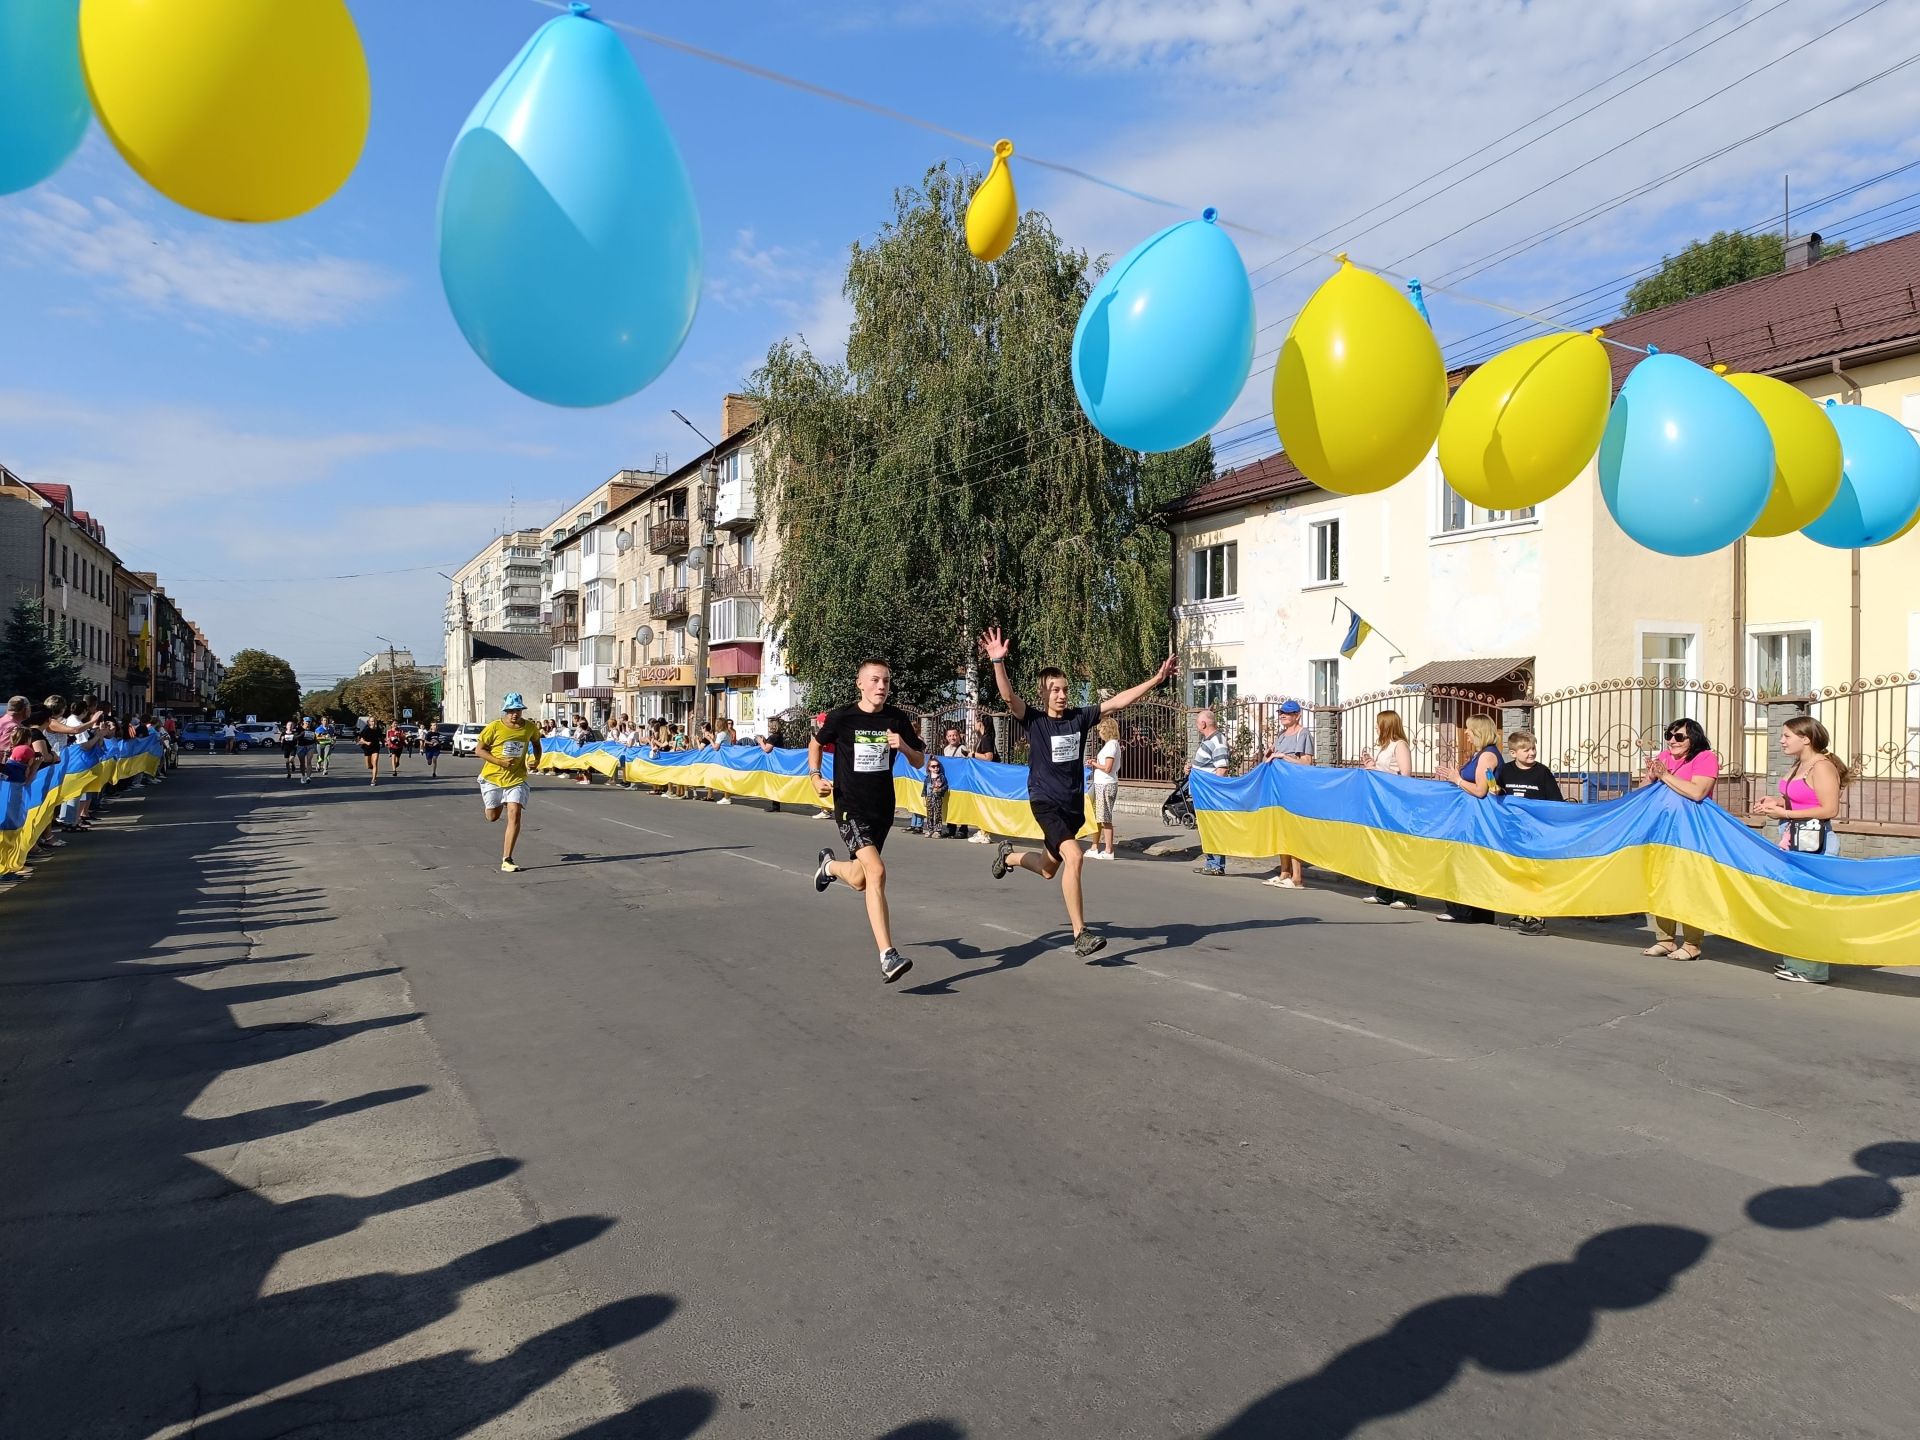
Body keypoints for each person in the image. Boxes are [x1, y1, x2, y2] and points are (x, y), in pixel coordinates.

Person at [981, 625, 1175, 956]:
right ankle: (1080, 933)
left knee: (1048, 869)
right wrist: (998, 662)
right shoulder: (1035, 720)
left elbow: (1118, 702)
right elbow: (1008, 697)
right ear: (1043, 694)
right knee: (1075, 855)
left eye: (1065, 689)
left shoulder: (1078, 718)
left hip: (1072, 807)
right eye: (1054, 690)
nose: (1061, 694)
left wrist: (1156, 680)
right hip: (1045, 802)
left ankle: (1008, 856)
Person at [809, 658, 925, 983]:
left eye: (886, 681)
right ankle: (888, 955)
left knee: (861, 880)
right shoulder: (843, 717)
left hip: (882, 810)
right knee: (877, 871)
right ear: (860, 683)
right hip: (851, 807)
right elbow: (816, 743)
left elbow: (919, 760)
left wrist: (903, 746)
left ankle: (829, 867)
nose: (881, 686)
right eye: (874, 680)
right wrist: (815, 776)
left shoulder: (896, 719)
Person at [1753, 716, 1850, 984]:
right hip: (1794, 840)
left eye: (1787, 736)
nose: (1781, 741)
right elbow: (1800, 799)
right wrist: (1775, 801)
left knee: (1810, 906)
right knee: (1794, 904)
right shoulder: (1800, 764)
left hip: (1815, 844)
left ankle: (1812, 970)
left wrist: (1783, 812)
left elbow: (1829, 809)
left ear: (1805, 738)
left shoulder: (1822, 767)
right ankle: (1797, 961)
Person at [1641, 717, 1720, 961]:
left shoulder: (1705, 758)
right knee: (1660, 882)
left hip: (1690, 832)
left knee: (1688, 885)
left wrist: (1664, 776)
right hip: (1662, 830)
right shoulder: (1664, 757)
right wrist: (1651, 777)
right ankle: (1665, 939)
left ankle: (1692, 943)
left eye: (1679, 737)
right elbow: (1643, 792)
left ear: (1693, 738)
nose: (1672, 741)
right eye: (1669, 735)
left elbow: (1697, 792)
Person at [1493, 730, 1564, 935]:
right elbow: (1496, 791)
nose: (1531, 752)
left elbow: (1556, 802)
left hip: (1536, 832)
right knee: (1518, 873)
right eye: (1526, 750)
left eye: (1533, 748)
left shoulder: (1542, 772)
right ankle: (1521, 913)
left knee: (1535, 874)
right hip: (1514, 831)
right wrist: (1495, 790)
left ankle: (1537, 918)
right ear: (1513, 753)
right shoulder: (1505, 771)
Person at [1438, 715, 1503, 925]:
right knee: (1471, 862)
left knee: (1464, 862)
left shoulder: (1487, 756)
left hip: (1476, 821)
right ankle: (1476, 912)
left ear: (1479, 731)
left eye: (1469, 729)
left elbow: (1481, 790)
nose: (1465, 732)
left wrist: (1456, 779)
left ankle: (1462, 911)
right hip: (1470, 819)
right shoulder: (1481, 754)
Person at [476, 692, 545, 874]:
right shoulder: (494, 727)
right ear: (505, 711)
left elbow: (537, 744)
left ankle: (507, 859)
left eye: (518, 710)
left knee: (515, 812)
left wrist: (536, 760)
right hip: (492, 778)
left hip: (517, 778)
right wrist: (500, 762)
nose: (515, 714)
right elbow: (479, 750)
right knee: (492, 817)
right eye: (511, 711)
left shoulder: (529, 727)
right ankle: (496, 804)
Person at [1363, 709, 1416, 908]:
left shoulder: (1400, 745)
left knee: (1398, 848)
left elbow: (1405, 775)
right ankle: (1384, 892)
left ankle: (1406, 896)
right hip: (1383, 801)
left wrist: (1377, 769)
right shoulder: (1385, 746)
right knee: (1383, 847)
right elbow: (1385, 770)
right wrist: (1372, 764)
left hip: (1396, 802)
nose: (1376, 727)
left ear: (1386, 725)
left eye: (1378, 724)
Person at [1262, 700, 1315, 889]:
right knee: (1281, 830)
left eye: (1287, 712)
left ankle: (1297, 877)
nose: (1282, 715)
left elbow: (1306, 762)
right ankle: (1284, 873)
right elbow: (1269, 759)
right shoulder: (1281, 735)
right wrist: (1269, 754)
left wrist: (1284, 756)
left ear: (1297, 715)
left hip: (1295, 789)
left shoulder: (1303, 733)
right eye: (1281, 712)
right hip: (1279, 790)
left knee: (1293, 832)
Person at [1190, 709, 1230, 877]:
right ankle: (1210, 862)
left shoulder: (1217, 741)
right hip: (1203, 793)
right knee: (1206, 829)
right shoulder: (1208, 740)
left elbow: (1222, 768)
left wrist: (1213, 791)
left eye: (1197, 722)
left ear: (1203, 723)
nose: (1196, 726)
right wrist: (1192, 768)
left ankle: (1216, 865)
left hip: (1210, 794)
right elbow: (1208, 765)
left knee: (1214, 829)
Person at [1084, 716, 1123, 859]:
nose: (1099, 733)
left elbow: (1107, 768)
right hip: (1101, 784)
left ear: (1106, 730)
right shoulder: (1110, 745)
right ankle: (1095, 847)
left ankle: (1108, 850)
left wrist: (1094, 764)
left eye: (1101, 731)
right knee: (1098, 816)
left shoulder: (1112, 745)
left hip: (1106, 784)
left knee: (1105, 818)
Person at [964, 720, 998, 844]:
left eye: (976, 721)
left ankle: (985, 833)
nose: (973, 724)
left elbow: (988, 757)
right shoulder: (984, 738)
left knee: (985, 804)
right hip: (986, 775)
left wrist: (973, 754)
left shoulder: (986, 739)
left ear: (981, 724)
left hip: (987, 776)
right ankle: (983, 831)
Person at [922, 756, 950, 838]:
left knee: (937, 814)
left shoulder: (941, 777)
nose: (936, 768)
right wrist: (924, 798)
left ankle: (937, 830)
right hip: (929, 798)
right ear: (929, 768)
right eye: (933, 766)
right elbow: (924, 789)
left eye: (937, 766)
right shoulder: (927, 778)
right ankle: (930, 829)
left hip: (937, 798)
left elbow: (946, 786)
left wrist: (940, 790)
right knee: (929, 814)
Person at [358, 721, 382, 786]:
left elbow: (381, 737)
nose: (373, 722)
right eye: (372, 721)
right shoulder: (366, 730)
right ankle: (371, 767)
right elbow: (361, 740)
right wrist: (366, 742)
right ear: (369, 722)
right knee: (368, 766)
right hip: (367, 748)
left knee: (375, 763)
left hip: (375, 747)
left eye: (374, 721)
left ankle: (373, 780)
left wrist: (384, 742)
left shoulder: (378, 730)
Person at [294, 719, 317, 785]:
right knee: (302, 763)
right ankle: (303, 776)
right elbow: (295, 737)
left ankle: (308, 777)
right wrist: (302, 734)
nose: (308, 723)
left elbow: (315, 738)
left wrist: (316, 740)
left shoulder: (313, 729)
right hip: (301, 747)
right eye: (306, 722)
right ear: (303, 722)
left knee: (309, 761)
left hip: (310, 746)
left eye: (309, 722)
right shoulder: (299, 729)